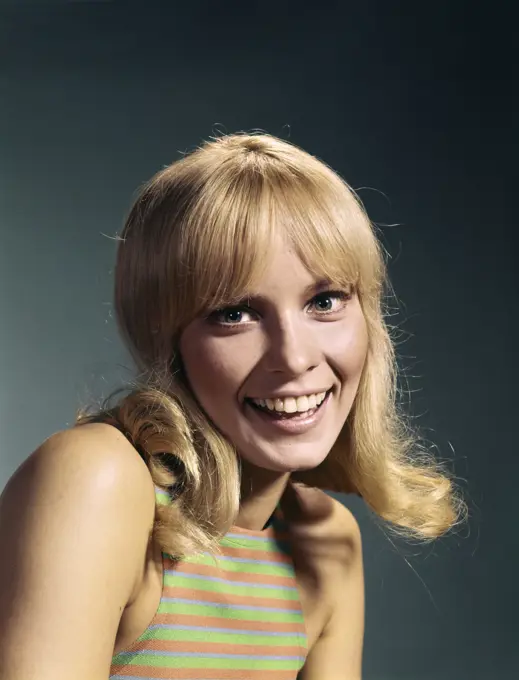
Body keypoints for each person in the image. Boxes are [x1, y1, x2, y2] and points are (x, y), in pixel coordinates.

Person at [0, 132, 465, 680]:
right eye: (235, 313)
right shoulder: (96, 480)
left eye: (324, 301)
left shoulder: (324, 540)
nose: (294, 358)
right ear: (168, 344)